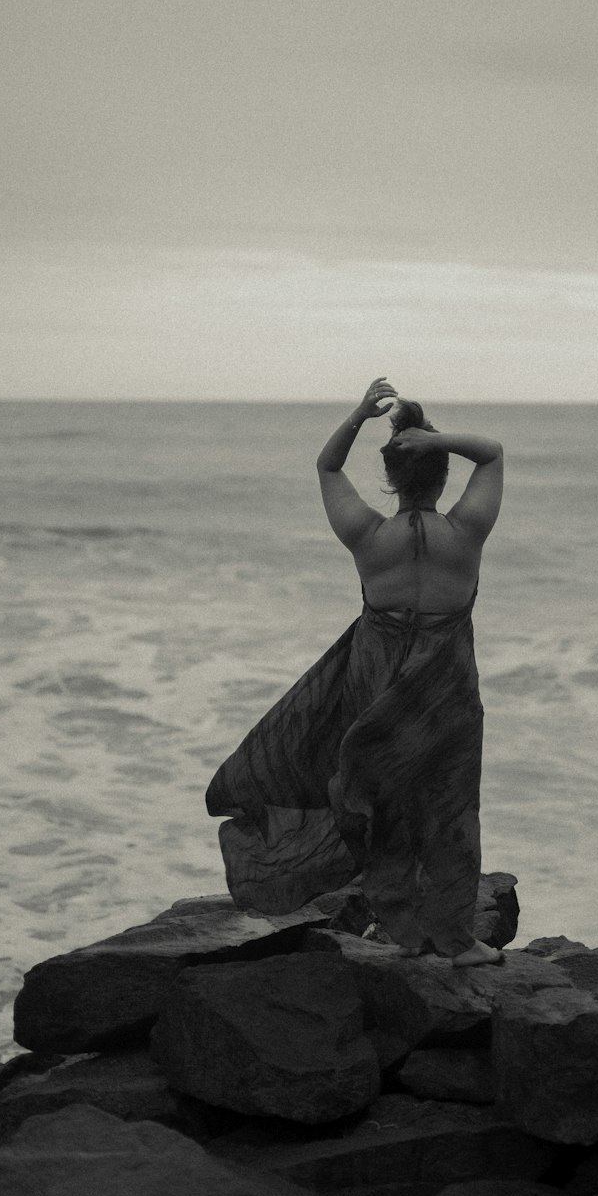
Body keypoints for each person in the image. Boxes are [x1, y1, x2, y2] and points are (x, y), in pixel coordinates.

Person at [206, 377, 505, 965]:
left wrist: (361, 414)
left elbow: (327, 466)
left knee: (385, 803)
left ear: (391, 479)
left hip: (377, 681)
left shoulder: (367, 536)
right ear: (443, 474)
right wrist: (432, 438)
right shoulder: (466, 532)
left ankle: (403, 930)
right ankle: (457, 940)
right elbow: (492, 452)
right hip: (446, 689)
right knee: (450, 805)